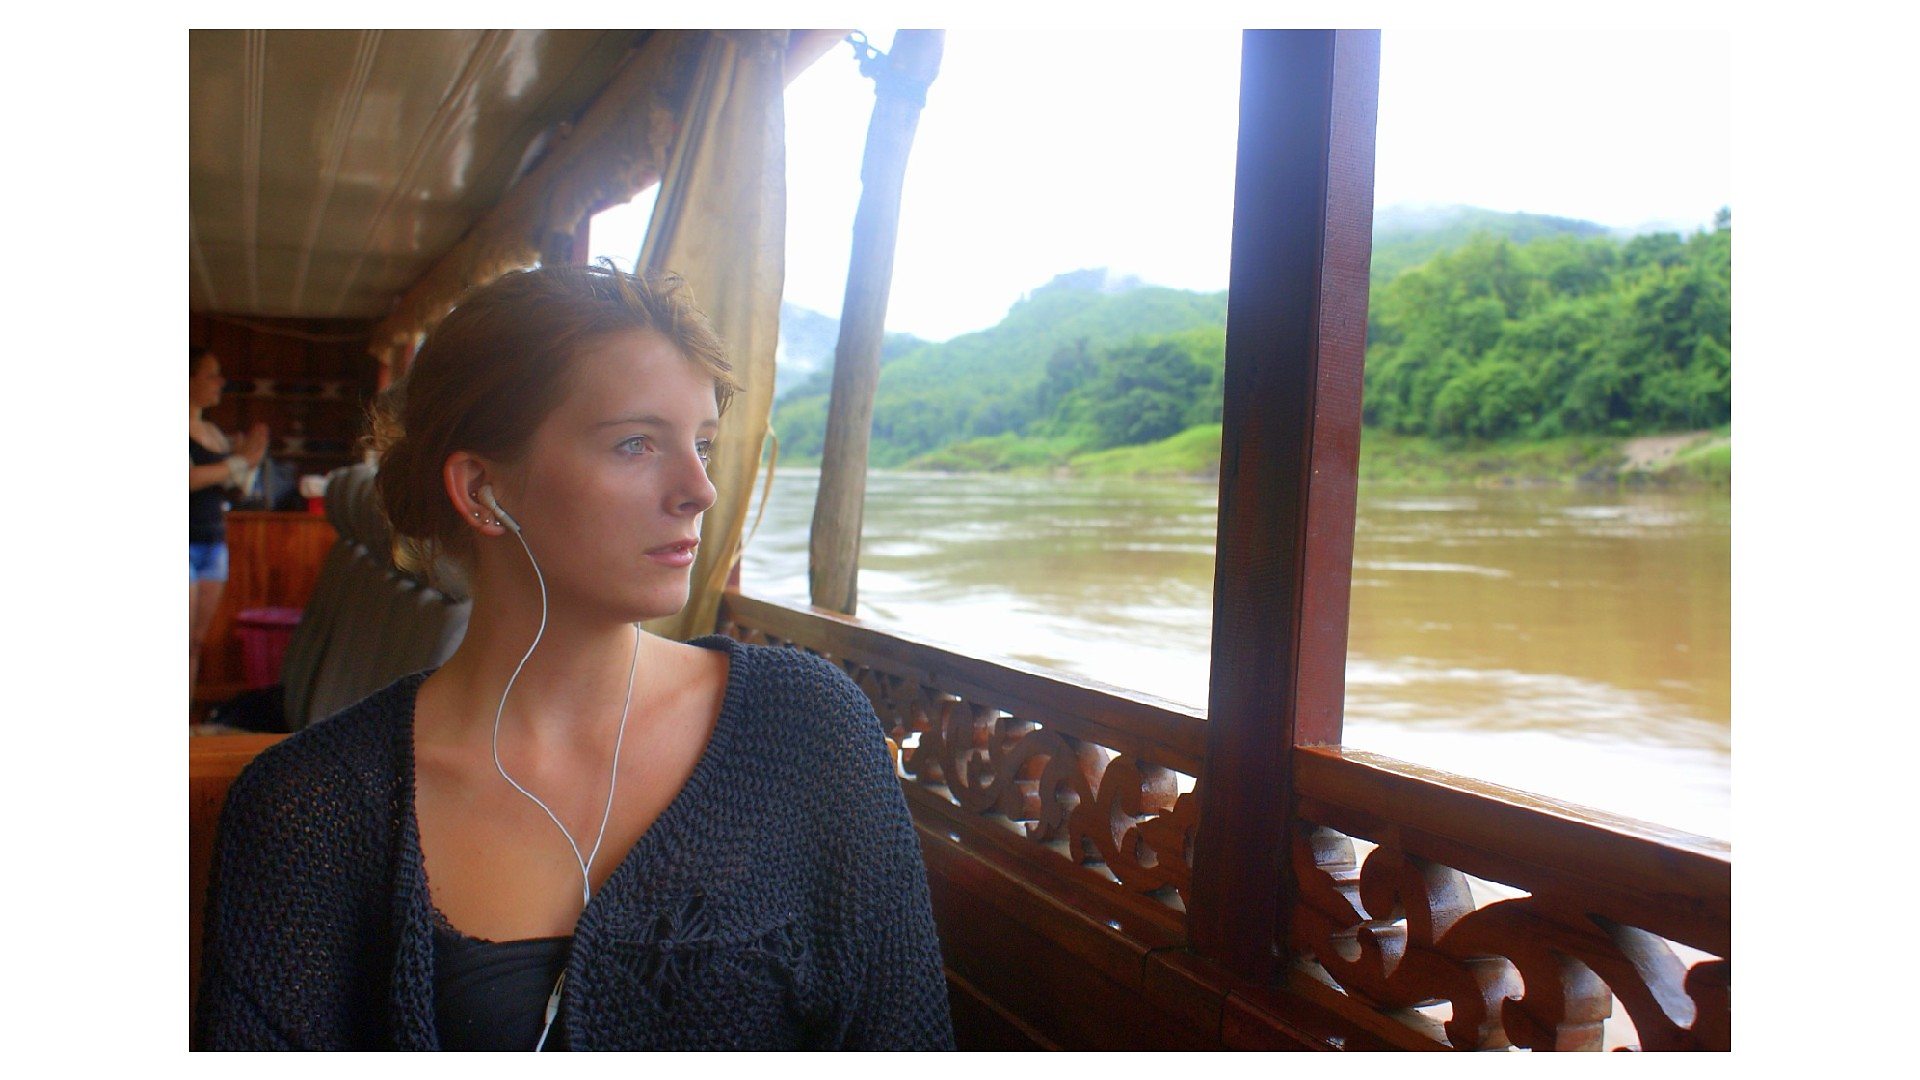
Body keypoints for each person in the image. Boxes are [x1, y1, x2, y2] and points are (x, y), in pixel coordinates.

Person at [192, 264, 954, 1051]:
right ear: (482, 490)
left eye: (701, 444)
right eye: (635, 444)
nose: (699, 490)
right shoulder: (309, 808)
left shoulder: (805, 731)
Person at [190, 346, 269, 693]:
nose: (220, 382)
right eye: (211, 375)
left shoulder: (213, 433)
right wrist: (240, 462)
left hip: (212, 543)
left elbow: (231, 490)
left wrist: (248, 463)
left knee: (195, 642)